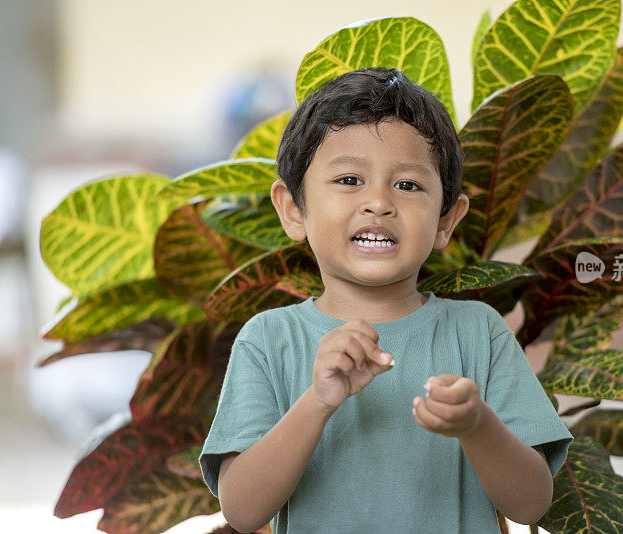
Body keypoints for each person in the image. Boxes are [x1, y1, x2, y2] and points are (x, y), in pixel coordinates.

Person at [198, 67, 573, 533]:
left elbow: (532, 504)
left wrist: (478, 426)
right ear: (293, 209)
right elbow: (242, 510)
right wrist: (317, 401)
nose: (379, 202)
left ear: (445, 221)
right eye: (350, 180)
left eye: (408, 185)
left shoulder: (479, 331)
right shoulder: (269, 339)